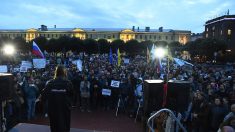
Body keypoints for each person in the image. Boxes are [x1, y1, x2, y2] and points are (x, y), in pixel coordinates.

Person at [42, 65, 74, 132]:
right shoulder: (68, 83)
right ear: (64, 72)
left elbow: (44, 96)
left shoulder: (50, 83)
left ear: (56, 72)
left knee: (54, 126)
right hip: (65, 109)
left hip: (53, 109)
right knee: (65, 126)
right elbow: (72, 95)